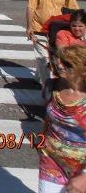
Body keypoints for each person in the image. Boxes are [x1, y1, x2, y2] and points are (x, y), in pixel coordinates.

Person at [38, 45, 86, 193]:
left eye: (67, 64)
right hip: (51, 160)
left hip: (81, 167)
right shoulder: (52, 87)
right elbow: (48, 119)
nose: (60, 65)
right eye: (59, 61)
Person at [26, 0, 79, 85]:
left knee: (52, 55)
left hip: (57, 30)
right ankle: (46, 88)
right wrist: (29, 27)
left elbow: (74, 10)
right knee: (44, 58)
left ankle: (38, 76)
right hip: (38, 28)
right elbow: (30, 8)